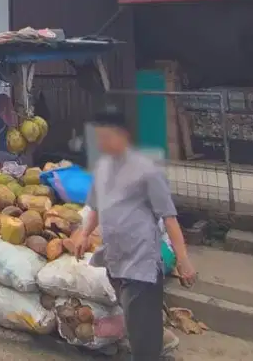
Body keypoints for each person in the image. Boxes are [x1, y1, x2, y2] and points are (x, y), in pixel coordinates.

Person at [67, 106, 194, 360]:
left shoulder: (147, 170)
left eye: (106, 137)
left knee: (143, 337)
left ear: (122, 135)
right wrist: (83, 233)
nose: (102, 143)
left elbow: (168, 217)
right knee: (139, 329)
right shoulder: (102, 168)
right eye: (98, 138)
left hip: (141, 266)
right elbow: (96, 207)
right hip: (116, 261)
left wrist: (183, 259)